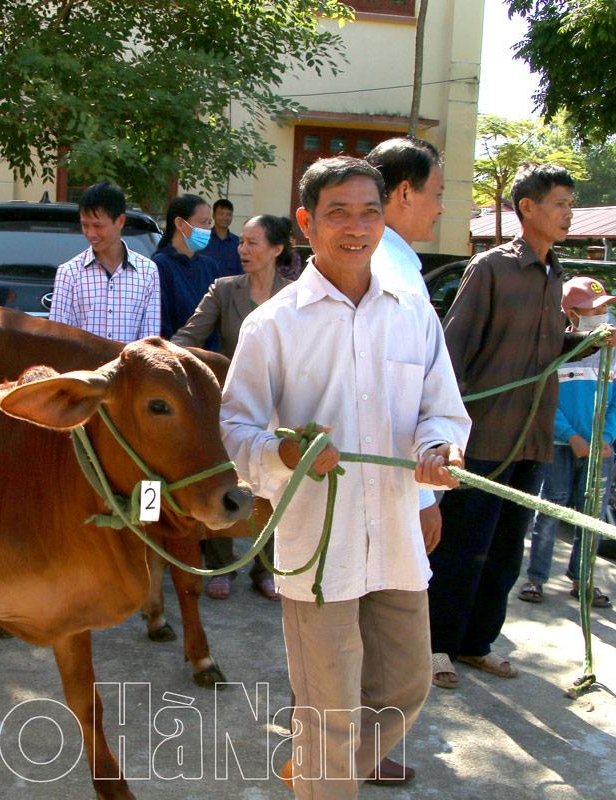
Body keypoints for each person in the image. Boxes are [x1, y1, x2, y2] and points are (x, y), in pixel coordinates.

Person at [221, 156, 469, 797]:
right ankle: (323, 775)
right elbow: (238, 433)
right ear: (306, 223)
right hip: (318, 550)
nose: (356, 228)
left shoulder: (414, 312)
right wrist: (285, 453)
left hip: (394, 537)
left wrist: (441, 448)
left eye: (370, 212)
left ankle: (317, 772)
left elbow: (442, 409)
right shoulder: (271, 324)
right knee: (329, 712)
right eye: (338, 213)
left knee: (406, 687)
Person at [426, 164, 616, 690]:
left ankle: (476, 644)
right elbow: (454, 348)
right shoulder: (490, 269)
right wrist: (445, 431)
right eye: (559, 202)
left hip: (534, 439)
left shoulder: (557, 273)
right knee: (463, 544)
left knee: (508, 548)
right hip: (485, 436)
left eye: (570, 204)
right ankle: (436, 645)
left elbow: (540, 352)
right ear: (526, 208)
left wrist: (583, 344)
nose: (568, 213)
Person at [174, 214, 293, 602]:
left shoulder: (296, 295)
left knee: (275, 485)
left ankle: (266, 567)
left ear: (276, 248)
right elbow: (189, 336)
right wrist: (160, 359)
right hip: (230, 404)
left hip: (281, 405)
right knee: (229, 480)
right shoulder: (224, 290)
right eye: (242, 242)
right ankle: (221, 564)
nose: (243, 249)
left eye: (254, 243)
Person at [520, 277, 616, 608]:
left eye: (605, 308)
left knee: (592, 513)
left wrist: (605, 438)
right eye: (593, 309)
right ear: (570, 313)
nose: (602, 315)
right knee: (550, 508)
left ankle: (583, 579)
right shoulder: (557, 348)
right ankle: (536, 578)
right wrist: (570, 436)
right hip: (559, 446)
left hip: (601, 450)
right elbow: (544, 400)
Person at [366, 137, 448, 568]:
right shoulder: (394, 277)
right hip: (385, 486)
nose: (440, 208)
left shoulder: (381, 264)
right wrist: (423, 497)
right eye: (436, 194)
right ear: (403, 193)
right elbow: (398, 397)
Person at [48, 182, 160, 341]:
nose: (91, 233)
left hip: (129, 366)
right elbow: (57, 340)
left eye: (98, 225)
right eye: (85, 225)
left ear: (120, 221)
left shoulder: (148, 272)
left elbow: (149, 342)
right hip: (82, 366)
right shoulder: (69, 273)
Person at [153, 194, 221, 341]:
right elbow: (161, 322)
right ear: (180, 223)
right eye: (203, 222)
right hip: (174, 353)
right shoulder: (160, 266)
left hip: (208, 358)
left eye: (209, 223)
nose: (208, 229)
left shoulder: (209, 267)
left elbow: (216, 322)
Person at [202, 198, 243, 277]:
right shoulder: (203, 239)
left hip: (230, 287)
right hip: (206, 287)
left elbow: (241, 271)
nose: (225, 218)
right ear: (213, 215)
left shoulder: (238, 243)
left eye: (228, 214)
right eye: (221, 214)